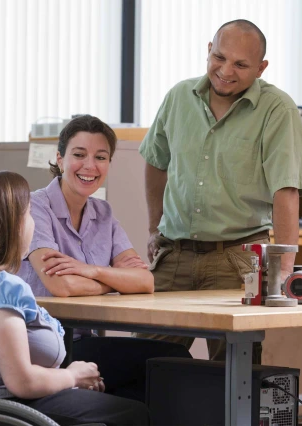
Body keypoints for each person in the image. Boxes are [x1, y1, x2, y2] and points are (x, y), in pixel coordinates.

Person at [136, 19, 302, 361]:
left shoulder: (277, 109)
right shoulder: (178, 97)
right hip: (174, 255)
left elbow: (285, 190)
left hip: (238, 258)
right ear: (208, 50)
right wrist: (152, 227)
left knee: (234, 374)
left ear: (261, 68)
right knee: (142, 363)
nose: (225, 71)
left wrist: (285, 269)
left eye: (241, 64)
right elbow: (156, 162)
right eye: (219, 57)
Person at [0, 171, 150, 426]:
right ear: (10, 224)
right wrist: (72, 376)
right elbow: (23, 382)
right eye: (29, 214)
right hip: (6, 412)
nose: (33, 223)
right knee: (135, 413)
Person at [18, 114, 191, 402]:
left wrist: (90, 271)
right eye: (79, 155)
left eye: (101, 157)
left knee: (160, 371)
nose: (90, 166)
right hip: (43, 346)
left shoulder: (103, 213)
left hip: (81, 342)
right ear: (59, 159)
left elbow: (145, 280)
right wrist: (114, 281)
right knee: (167, 360)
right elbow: (62, 287)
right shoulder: (35, 207)